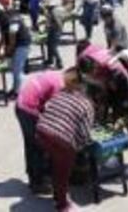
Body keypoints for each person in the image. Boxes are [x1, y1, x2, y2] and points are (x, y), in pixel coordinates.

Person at [35, 71, 95, 212]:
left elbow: (50, 110)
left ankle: (57, 193)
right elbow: (84, 134)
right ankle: (62, 205)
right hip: (60, 139)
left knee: (56, 164)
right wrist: (79, 148)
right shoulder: (87, 105)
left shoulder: (62, 94)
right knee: (62, 173)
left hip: (41, 132)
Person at [15, 69, 67, 195]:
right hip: (28, 110)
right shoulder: (59, 85)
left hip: (22, 104)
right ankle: (37, 183)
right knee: (37, 147)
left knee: (31, 145)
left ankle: (34, 174)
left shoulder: (58, 75)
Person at [0, 7, 32, 98]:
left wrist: (6, 53)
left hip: (22, 45)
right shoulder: (4, 22)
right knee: (14, 69)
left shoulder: (12, 21)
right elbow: (3, 37)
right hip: (17, 44)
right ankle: (15, 88)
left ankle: (20, 92)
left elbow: (12, 40)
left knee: (17, 70)